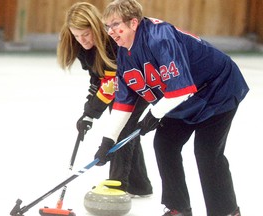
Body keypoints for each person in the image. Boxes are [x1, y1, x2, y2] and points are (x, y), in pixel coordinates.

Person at [94, 0, 249, 215]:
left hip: (217, 91)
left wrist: (154, 114)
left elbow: (181, 88)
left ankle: (227, 211)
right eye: (107, 27)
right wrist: (108, 140)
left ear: (133, 23)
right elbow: (123, 102)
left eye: (115, 25)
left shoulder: (160, 37)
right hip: (180, 101)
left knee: (206, 152)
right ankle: (179, 208)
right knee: (165, 144)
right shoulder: (124, 53)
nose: (110, 32)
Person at [57, 2, 153, 197]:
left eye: (85, 34)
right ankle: (140, 185)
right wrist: (87, 114)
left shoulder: (111, 42)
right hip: (120, 88)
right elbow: (97, 79)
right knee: (127, 131)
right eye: (76, 35)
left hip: (139, 85)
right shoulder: (83, 47)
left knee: (120, 129)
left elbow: (109, 86)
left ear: (95, 28)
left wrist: (91, 113)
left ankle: (117, 183)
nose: (81, 40)